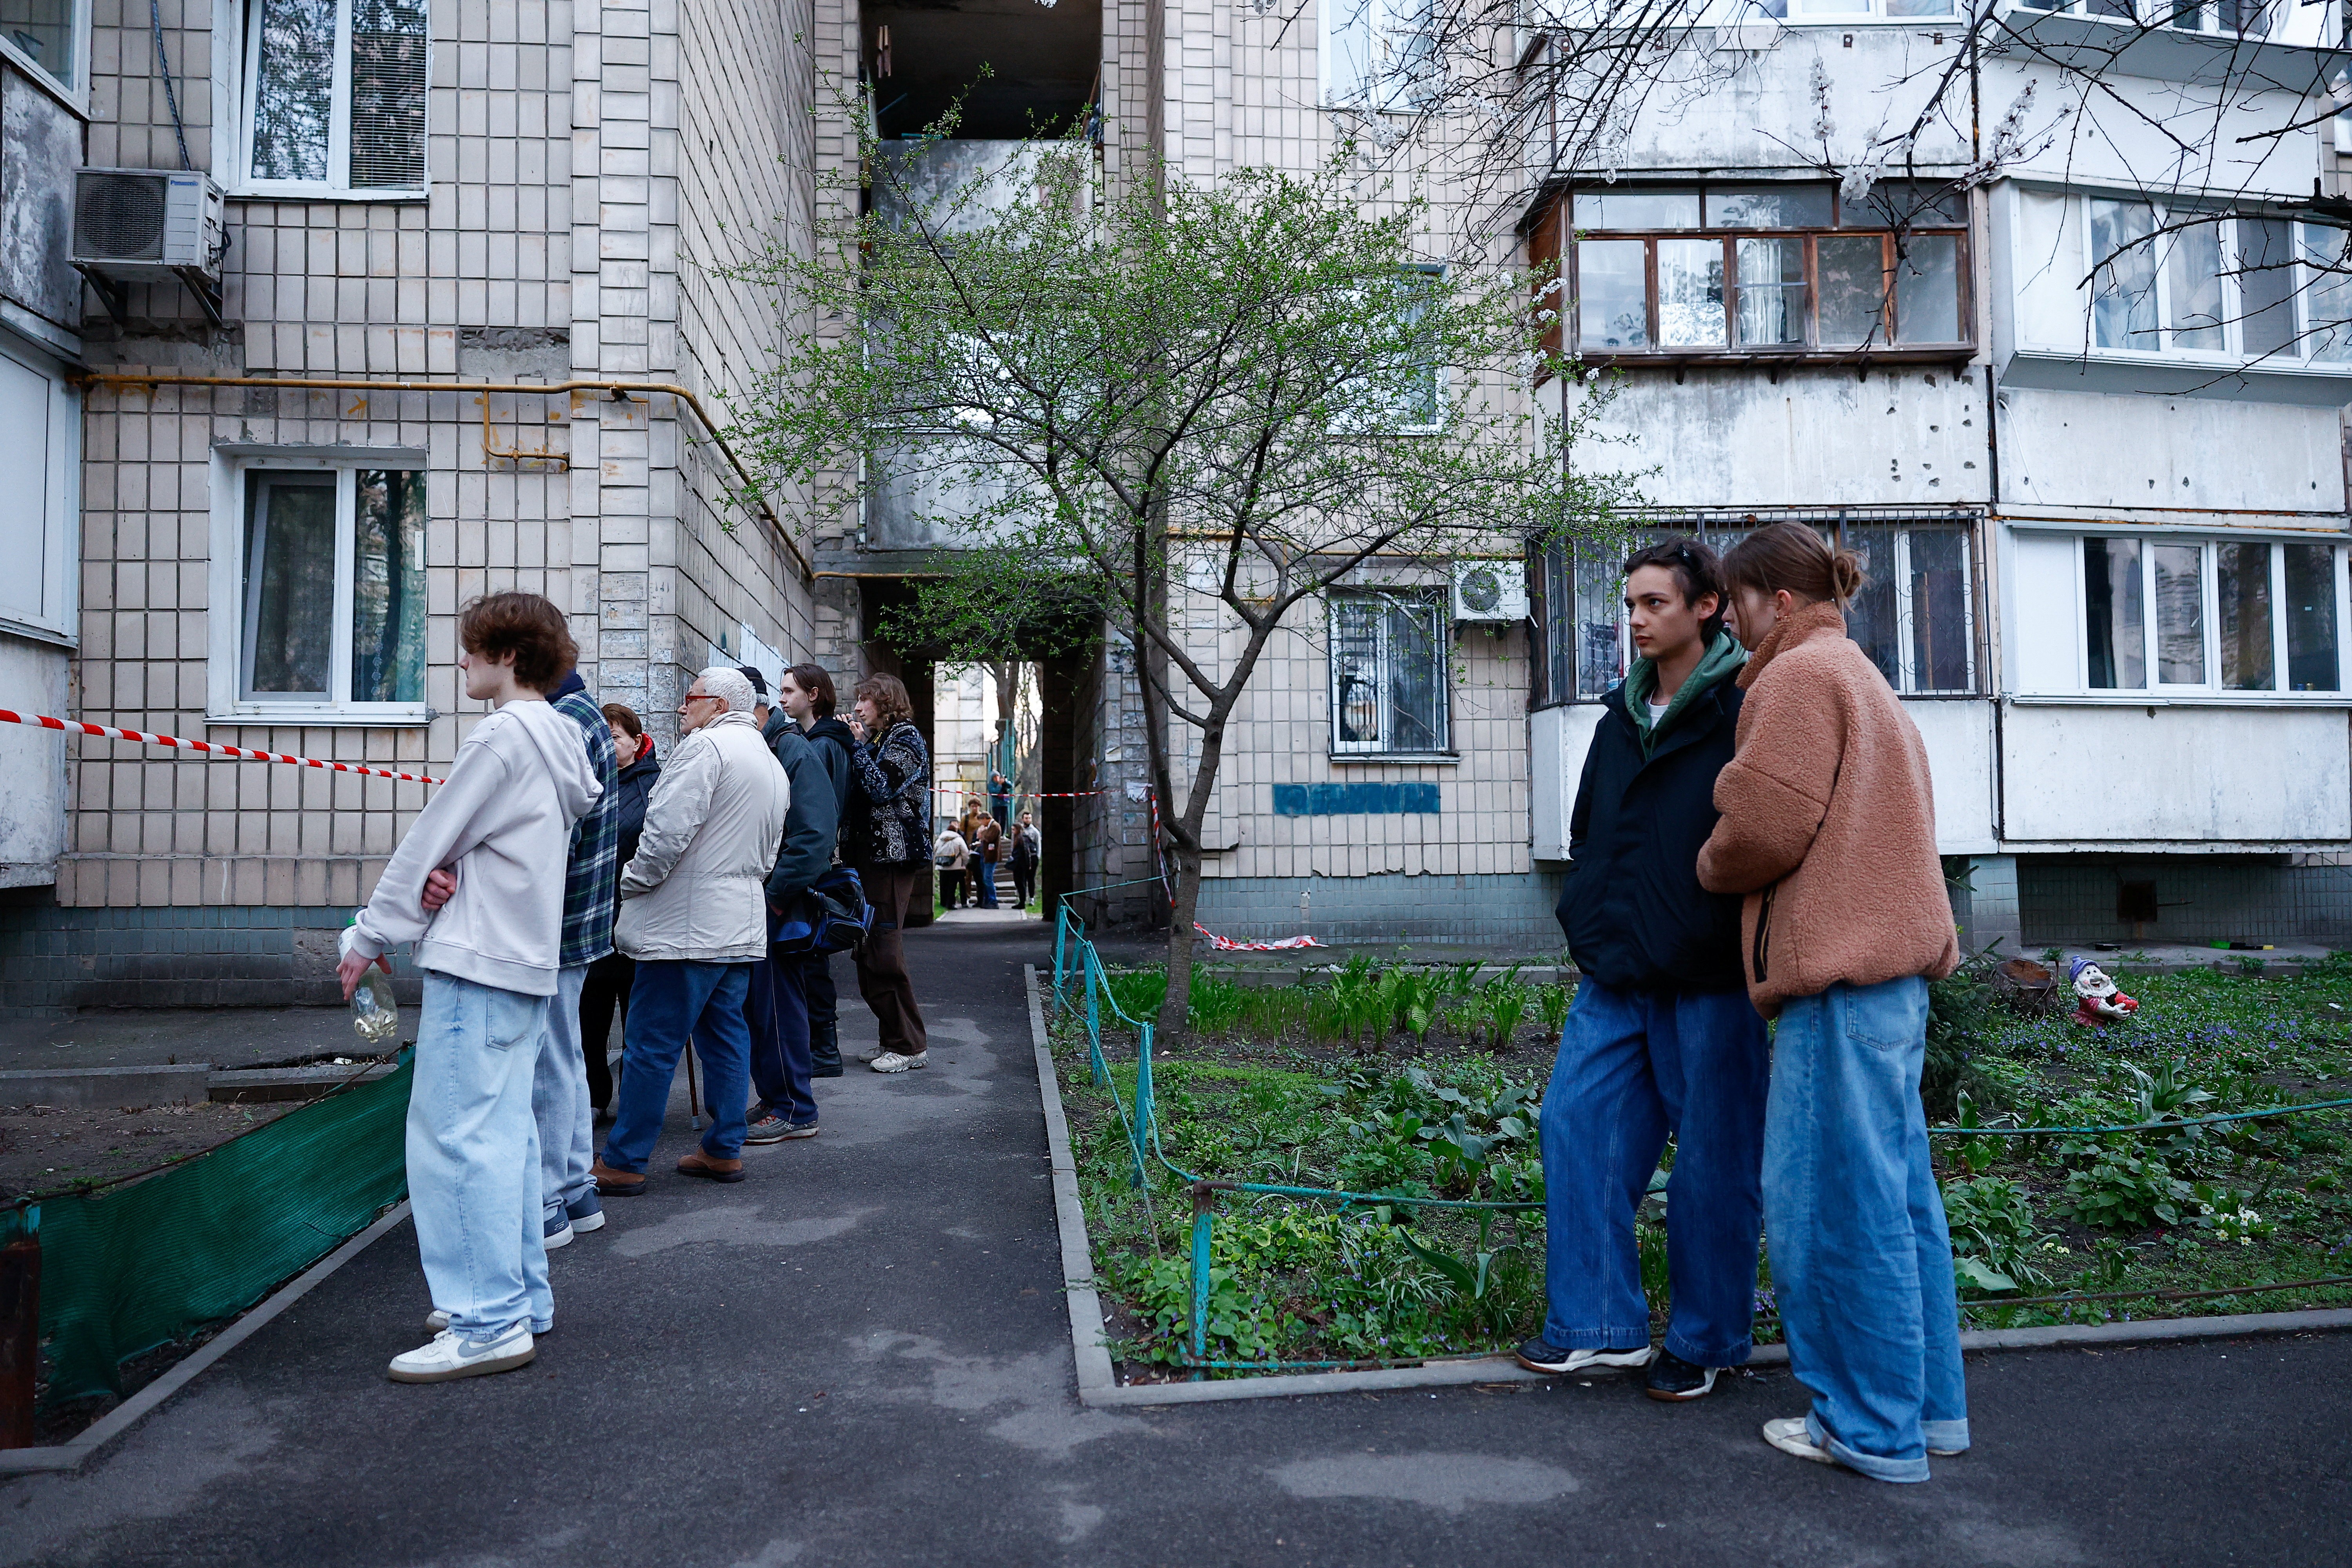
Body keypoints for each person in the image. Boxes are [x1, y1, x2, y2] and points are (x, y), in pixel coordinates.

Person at [1695, 521, 1965, 1483]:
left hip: (1838, 985)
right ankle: (1925, 1411)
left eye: (1735, 601)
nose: (1728, 621)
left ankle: (1867, 1427)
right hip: (1891, 984)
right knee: (1896, 1205)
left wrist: (1708, 859)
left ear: (1778, 600)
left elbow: (1764, 827)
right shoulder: (1862, 676)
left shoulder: (1798, 676)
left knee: (1833, 1212)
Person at [1514, 538, 1768, 1405]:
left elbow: (1762, 832)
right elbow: (1591, 828)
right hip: (1617, 971)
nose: (1636, 619)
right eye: (1630, 604)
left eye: (1654, 602)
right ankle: (1598, 1326)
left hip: (1709, 980)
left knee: (1713, 1163)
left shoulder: (1742, 710)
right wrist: (1589, 907)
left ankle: (1705, 1341)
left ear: (1706, 607)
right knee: (1573, 1125)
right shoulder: (1619, 716)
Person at [336, 592, 602, 1383]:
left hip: (477, 964)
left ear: (508, 655)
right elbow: (478, 847)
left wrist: (369, 933)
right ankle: (516, 1302)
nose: (461, 661)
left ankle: (486, 1320)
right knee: (506, 1141)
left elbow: (430, 839)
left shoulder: (501, 736)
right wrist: (452, 871)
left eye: (472, 648)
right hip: (525, 965)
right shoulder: (561, 737)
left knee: (454, 1143)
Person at [424, 650, 622, 1252]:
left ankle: (545, 1203)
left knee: (541, 1066)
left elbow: (548, 839)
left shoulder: (561, 722)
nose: (463, 662)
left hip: (549, 924)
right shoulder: (583, 715)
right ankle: (574, 1191)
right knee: (563, 1057)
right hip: (574, 921)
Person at [592, 667, 790, 1193]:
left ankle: (625, 1159)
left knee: (651, 1044)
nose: (683, 707)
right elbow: (770, 850)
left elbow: (663, 834)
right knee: (726, 1039)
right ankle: (723, 1149)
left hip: (684, 926)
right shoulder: (768, 759)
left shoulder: (705, 749)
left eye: (691, 698)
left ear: (719, 705)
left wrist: (630, 882)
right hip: (737, 922)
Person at [740, 671, 843, 1144]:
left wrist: (775, 896)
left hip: (778, 904)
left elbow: (816, 835)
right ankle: (778, 1097)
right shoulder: (772, 745)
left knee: (778, 1007)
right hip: (765, 900)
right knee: (763, 1009)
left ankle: (795, 1108)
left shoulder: (790, 749)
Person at [842, 673, 932, 1073]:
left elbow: (881, 788)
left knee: (883, 948)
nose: (858, 707)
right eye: (858, 699)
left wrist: (857, 746)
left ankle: (909, 1046)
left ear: (887, 702)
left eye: (866, 700)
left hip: (892, 859)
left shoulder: (907, 738)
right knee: (867, 949)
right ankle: (892, 1037)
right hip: (870, 859)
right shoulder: (880, 739)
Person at [578, 704, 658, 1118]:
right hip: (592, 917)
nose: (607, 746)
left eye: (615, 737)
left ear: (636, 742)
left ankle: (636, 1104)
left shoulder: (655, 785)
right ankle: (594, 1098)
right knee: (589, 1019)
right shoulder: (586, 783)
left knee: (638, 1023)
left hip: (638, 918)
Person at [780, 664, 854, 1078]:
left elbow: (820, 812)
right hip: (819, 859)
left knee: (810, 956)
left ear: (813, 695)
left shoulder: (822, 745)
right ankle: (819, 1047)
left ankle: (824, 1050)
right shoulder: (822, 740)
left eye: (790, 691)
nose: (782, 698)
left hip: (815, 862)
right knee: (809, 955)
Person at [1009, 810, 1040, 911]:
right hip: (1022, 859)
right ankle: (1023, 899)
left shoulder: (1035, 832)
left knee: (1031, 879)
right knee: (1022, 880)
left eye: (1030, 818)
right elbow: (1013, 844)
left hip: (1032, 857)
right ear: (1023, 819)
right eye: (1026, 818)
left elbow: (1038, 845)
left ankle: (1031, 897)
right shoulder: (1019, 831)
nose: (1028, 820)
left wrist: (1037, 857)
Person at [973, 811, 1003, 909]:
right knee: (985, 879)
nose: (981, 824)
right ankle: (987, 900)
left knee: (988, 879)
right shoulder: (990, 827)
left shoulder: (995, 826)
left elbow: (990, 838)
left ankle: (993, 901)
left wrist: (982, 832)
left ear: (986, 819)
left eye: (981, 821)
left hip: (991, 856)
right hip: (986, 855)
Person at [934, 824, 969, 909]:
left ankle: (943, 902)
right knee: (952, 886)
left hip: (942, 866)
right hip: (955, 866)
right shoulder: (959, 839)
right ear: (956, 831)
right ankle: (950, 904)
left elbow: (935, 850)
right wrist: (964, 864)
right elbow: (965, 852)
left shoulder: (940, 839)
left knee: (943, 885)